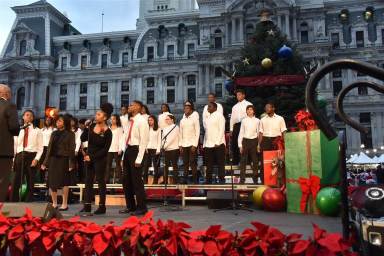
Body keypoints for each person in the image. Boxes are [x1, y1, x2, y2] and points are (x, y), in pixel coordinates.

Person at [79, 103, 113, 216]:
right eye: (96, 114)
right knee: (88, 181)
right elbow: (82, 138)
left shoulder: (108, 132)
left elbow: (105, 149)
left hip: (100, 159)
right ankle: (87, 205)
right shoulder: (92, 126)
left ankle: (102, 206)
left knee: (100, 182)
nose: (96, 116)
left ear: (105, 117)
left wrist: (92, 156)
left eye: (98, 114)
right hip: (89, 158)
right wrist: (86, 127)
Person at [120, 100, 149, 216]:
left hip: (137, 150)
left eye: (132, 105)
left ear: (138, 107)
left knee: (137, 181)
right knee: (126, 180)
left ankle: (142, 207)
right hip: (128, 150)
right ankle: (130, 206)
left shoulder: (142, 121)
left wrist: (139, 158)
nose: (129, 107)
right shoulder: (129, 121)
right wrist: (123, 156)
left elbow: (144, 140)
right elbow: (126, 138)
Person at [41, 114, 76, 210]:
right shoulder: (54, 133)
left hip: (64, 159)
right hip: (53, 159)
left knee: (64, 181)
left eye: (60, 121)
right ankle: (54, 203)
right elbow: (49, 149)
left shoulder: (70, 134)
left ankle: (64, 204)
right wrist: (45, 162)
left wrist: (71, 163)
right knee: (52, 181)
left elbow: (72, 149)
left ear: (65, 122)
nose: (57, 122)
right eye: (57, 121)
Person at [11, 110, 43, 202]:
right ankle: (14, 201)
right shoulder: (19, 130)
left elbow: (40, 148)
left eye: (30, 115)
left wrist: (36, 159)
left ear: (32, 118)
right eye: (26, 115)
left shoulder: (37, 131)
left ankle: (28, 201)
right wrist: (13, 160)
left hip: (31, 156)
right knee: (16, 180)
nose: (28, 117)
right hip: (20, 155)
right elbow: (15, 146)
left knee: (30, 180)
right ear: (23, 117)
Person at [0, 84, 19, 201]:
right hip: (4, 149)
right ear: (6, 94)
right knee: (2, 179)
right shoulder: (10, 105)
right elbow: (14, 127)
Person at [204, 102, 226, 184]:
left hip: (218, 144)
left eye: (209, 106)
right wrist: (205, 143)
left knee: (220, 163)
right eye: (208, 106)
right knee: (209, 164)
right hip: (209, 144)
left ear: (215, 108)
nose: (207, 108)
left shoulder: (220, 116)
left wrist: (217, 142)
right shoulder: (208, 117)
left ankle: (221, 180)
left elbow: (221, 129)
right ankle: (208, 180)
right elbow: (207, 131)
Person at [238, 105, 261, 184]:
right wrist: (240, 145)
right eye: (248, 110)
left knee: (255, 161)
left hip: (254, 141)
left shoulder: (257, 120)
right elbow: (241, 132)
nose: (249, 111)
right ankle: (242, 179)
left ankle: (255, 179)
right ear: (246, 111)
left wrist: (259, 145)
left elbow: (258, 133)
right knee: (243, 161)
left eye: (251, 109)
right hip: (245, 141)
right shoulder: (244, 120)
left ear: (253, 111)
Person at [230, 89, 252, 165]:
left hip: (246, 124)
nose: (238, 96)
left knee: (245, 142)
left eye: (239, 95)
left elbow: (252, 115)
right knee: (235, 143)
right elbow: (232, 118)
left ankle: (247, 161)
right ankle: (236, 161)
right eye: (237, 95)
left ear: (243, 95)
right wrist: (231, 129)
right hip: (236, 125)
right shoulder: (234, 107)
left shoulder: (248, 104)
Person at [179, 101, 200, 183]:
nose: (186, 110)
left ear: (191, 110)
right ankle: (185, 179)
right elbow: (180, 133)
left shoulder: (194, 119)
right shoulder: (182, 120)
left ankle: (195, 180)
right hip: (184, 144)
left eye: (187, 108)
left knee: (193, 162)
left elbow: (197, 132)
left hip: (192, 144)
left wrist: (195, 145)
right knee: (185, 163)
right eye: (185, 108)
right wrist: (180, 145)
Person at [106, 114, 124, 183]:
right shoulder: (108, 128)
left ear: (116, 120)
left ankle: (120, 180)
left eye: (114, 119)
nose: (112, 120)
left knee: (118, 165)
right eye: (111, 119)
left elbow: (121, 139)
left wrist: (120, 149)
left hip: (117, 149)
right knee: (108, 165)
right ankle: (106, 180)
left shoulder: (120, 128)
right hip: (109, 149)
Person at [162, 114, 180, 184]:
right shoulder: (165, 128)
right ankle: (165, 180)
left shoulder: (176, 127)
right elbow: (163, 138)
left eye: (168, 119)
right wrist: (163, 146)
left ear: (172, 120)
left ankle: (175, 181)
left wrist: (165, 146)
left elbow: (172, 138)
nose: (166, 120)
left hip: (174, 149)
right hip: (166, 149)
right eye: (165, 119)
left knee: (174, 165)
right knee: (165, 166)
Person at [143, 115, 161, 184]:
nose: (150, 121)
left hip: (155, 149)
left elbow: (159, 140)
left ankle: (155, 181)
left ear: (154, 120)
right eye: (149, 120)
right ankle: (145, 181)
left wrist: (158, 149)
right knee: (146, 166)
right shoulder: (147, 129)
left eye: (151, 120)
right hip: (148, 149)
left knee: (155, 166)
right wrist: (145, 147)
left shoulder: (158, 129)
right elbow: (145, 139)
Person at [39, 117, 55, 183]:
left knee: (49, 164)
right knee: (41, 164)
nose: (47, 121)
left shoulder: (54, 130)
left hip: (50, 148)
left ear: (51, 121)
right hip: (42, 148)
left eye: (49, 120)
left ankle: (49, 181)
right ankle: (41, 180)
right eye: (46, 120)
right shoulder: (42, 130)